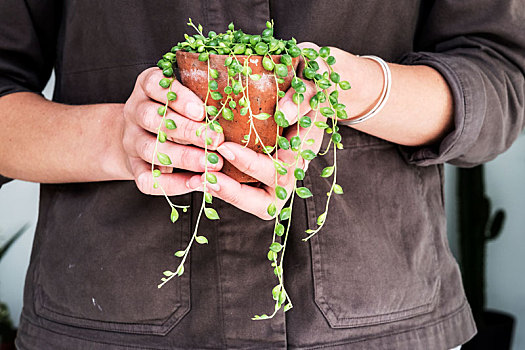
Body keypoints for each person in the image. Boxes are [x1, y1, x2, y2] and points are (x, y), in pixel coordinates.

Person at [0, 1, 524, 349]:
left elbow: (499, 75)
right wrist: (118, 138)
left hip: (381, 324)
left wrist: (360, 91)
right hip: (106, 324)